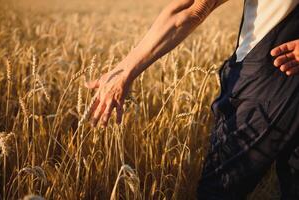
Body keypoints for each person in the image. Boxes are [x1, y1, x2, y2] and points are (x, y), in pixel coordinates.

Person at [84, 0, 299, 199]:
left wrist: (124, 72)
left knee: (217, 192)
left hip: (269, 78)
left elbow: (191, 9)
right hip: (279, 69)